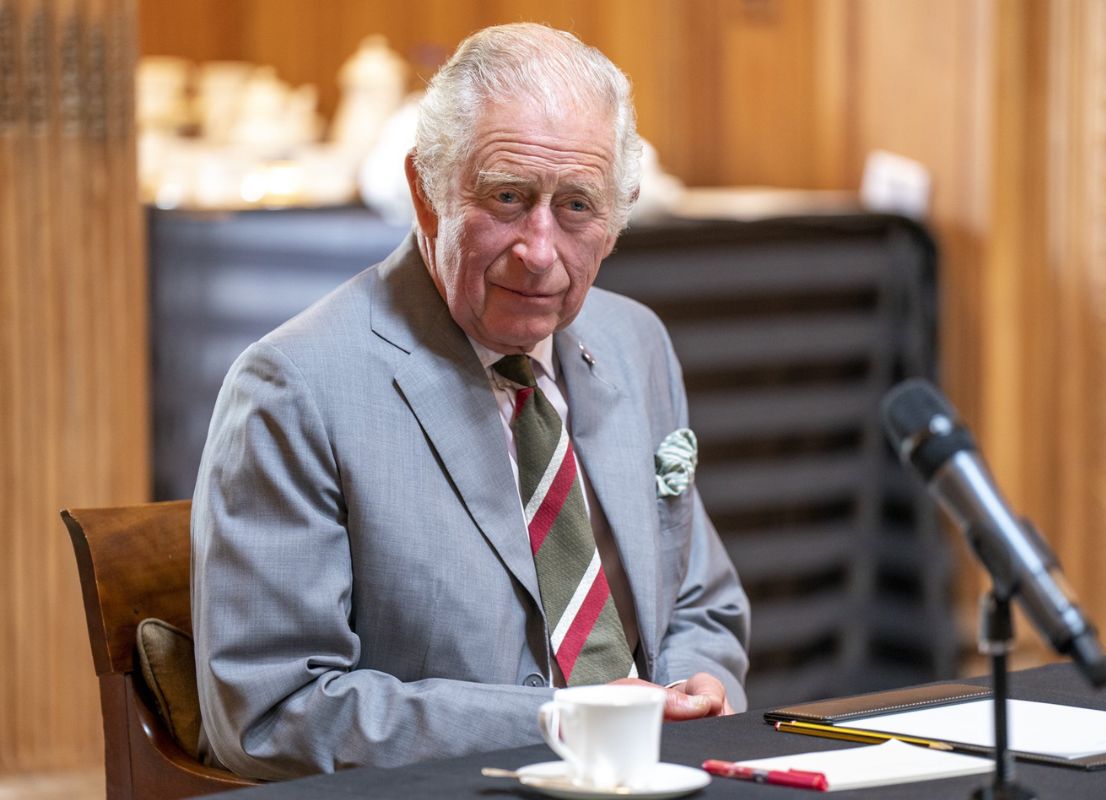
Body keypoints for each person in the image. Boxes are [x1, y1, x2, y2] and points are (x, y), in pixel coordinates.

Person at [191, 22, 750, 780]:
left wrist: (691, 692)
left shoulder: (635, 343)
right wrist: (559, 723)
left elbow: (702, 604)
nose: (540, 251)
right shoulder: (295, 387)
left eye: (577, 205)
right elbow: (273, 712)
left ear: (620, 214)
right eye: (507, 198)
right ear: (425, 192)